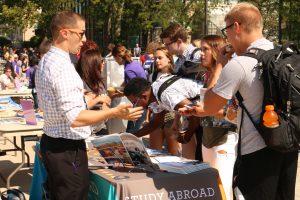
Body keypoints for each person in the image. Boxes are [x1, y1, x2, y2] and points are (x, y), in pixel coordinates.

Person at [187, 3, 298, 199]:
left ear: (236, 27)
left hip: (256, 152)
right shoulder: (285, 55)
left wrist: (220, 65)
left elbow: (210, 106)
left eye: (226, 30)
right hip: (288, 147)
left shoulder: (240, 63)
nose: (226, 37)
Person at [35, 11, 143, 200]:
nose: (84, 39)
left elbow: (62, 103)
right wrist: (115, 112)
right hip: (66, 148)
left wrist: (92, 102)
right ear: (65, 33)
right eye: (81, 33)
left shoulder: (48, 60)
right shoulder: (61, 66)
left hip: (56, 143)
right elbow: (76, 118)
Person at [180, 35, 238, 200]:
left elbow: (233, 111)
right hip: (208, 138)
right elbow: (207, 105)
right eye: (200, 49)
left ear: (216, 51)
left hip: (224, 139)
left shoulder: (227, 74)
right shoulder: (207, 75)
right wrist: (195, 111)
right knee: (212, 188)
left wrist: (205, 110)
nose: (201, 54)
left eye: (205, 49)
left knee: (223, 190)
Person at [124, 76, 203, 160]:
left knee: (202, 157)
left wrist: (186, 137)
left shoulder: (165, 95)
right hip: (199, 115)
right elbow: (156, 122)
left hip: (206, 111)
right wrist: (130, 136)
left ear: (144, 96)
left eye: (134, 102)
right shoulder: (153, 94)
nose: (134, 106)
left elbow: (195, 114)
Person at [147, 47, 179, 155]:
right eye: (155, 58)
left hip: (171, 116)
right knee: (154, 153)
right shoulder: (153, 76)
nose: (157, 61)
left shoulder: (177, 75)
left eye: (160, 58)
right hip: (156, 115)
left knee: (173, 153)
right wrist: (148, 115)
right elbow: (150, 98)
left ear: (169, 59)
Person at [112, 44, 147, 133]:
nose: (115, 61)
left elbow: (135, 89)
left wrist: (121, 93)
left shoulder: (128, 70)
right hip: (142, 102)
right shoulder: (133, 63)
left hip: (139, 104)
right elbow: (130, 82)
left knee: (131, 132)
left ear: (118, 57)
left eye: (114, 58)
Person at [77, 46, 111, 135]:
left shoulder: (100, 82)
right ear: (93, 64)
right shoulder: (79, 82)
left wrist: (106, 106)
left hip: (101, 128)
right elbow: (78, 109)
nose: (103, 63)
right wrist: (97, 100)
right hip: (86, 130)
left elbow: (105, 102)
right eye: (101, 61)